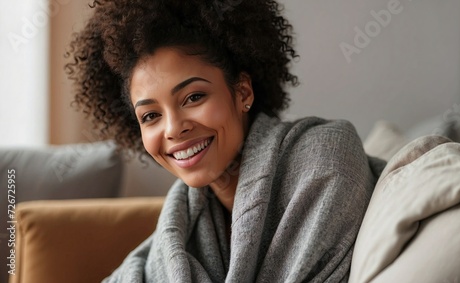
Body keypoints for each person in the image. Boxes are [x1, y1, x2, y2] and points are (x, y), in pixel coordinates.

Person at [65, 0, 385, 282]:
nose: (174, 129)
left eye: (193, 97)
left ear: (242, 92)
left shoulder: (325, 160)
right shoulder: (182, 225)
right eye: (150, 116)